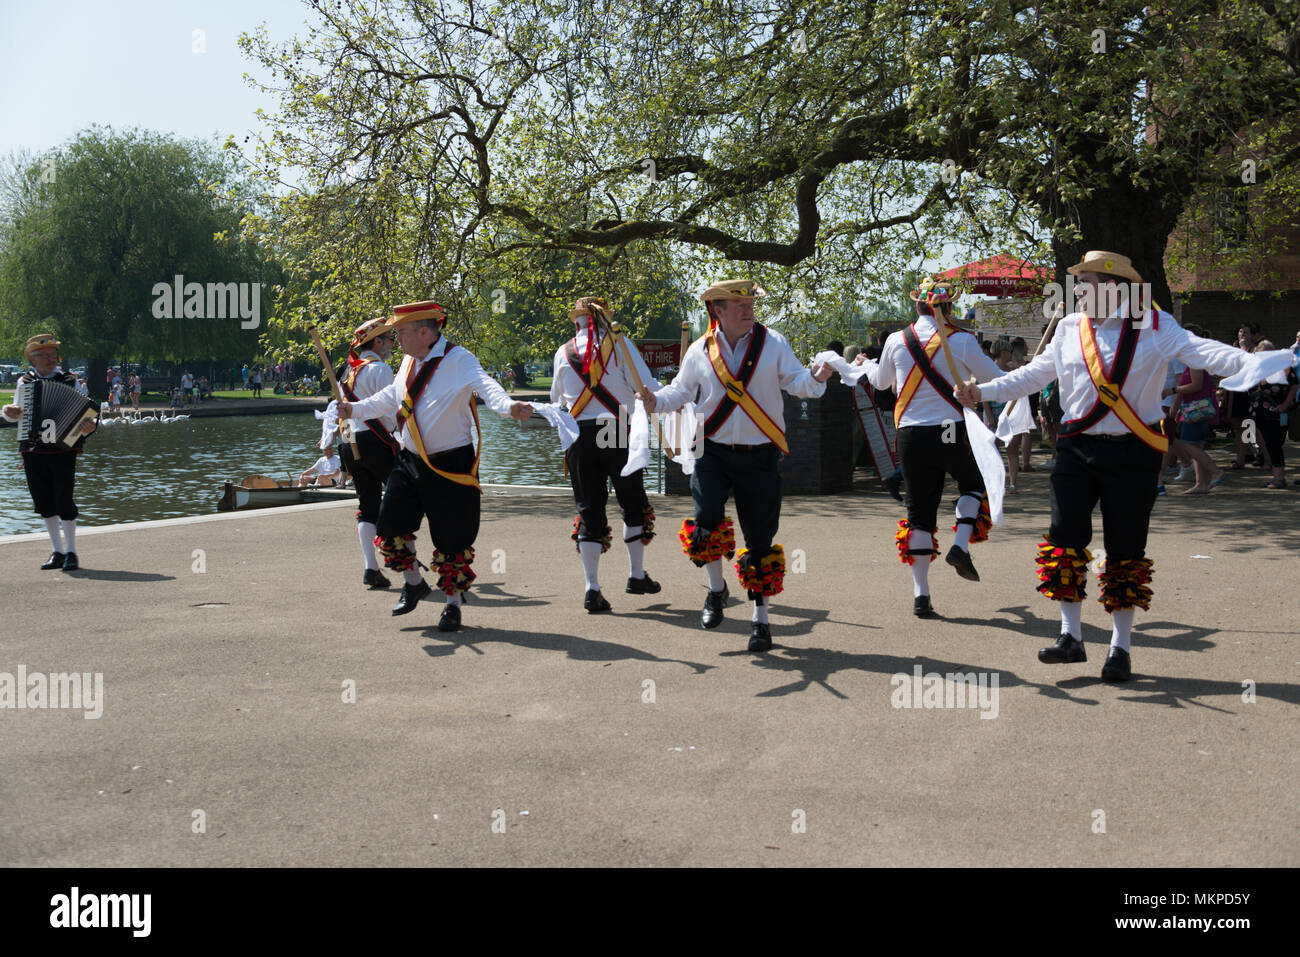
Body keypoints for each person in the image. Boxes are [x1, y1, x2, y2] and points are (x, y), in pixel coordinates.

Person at [955, 250, 1289, 682]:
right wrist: (982, 392)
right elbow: (1035, 375)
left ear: (1117, 287)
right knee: (1064, 539)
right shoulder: (1070, 328)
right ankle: (1070, 636)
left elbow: (1202, 352)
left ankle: (1120, 647)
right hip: (1075, 450)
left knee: (1124, 548)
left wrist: (1255, 363)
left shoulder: (1155, 327)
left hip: (1135, 451)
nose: (1078, 290)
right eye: (1078, 283)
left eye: (1087, 282)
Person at [645, 279, 834, 652]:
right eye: (740, 304)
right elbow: (680, 392)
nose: (748, 309)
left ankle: (760, 622)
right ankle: (716, 591)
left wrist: (816, 377)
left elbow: (798, 382)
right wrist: (655, 400)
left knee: (760, 541)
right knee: (706, 523)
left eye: (750, 303)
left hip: (761, 453)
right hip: (711, 451)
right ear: (718, 310)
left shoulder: (773, 343)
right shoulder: (700, 350)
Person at [337, 299, 534, 631]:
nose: (396, 340)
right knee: (390, 525)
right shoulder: (408, 362)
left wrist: (509, 407)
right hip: (409, 460)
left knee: (451, 539)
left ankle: (453, 606)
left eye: (400, 332)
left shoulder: (459, 359)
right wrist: (353, 410)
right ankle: (414, 583)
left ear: (424, 331)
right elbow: (390, 400)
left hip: (451, 462)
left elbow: (487, 387)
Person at [853, 277, 1005, 617]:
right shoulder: (962, 341)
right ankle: (960, 548)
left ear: (917, 306)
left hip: (910, 434)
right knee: (973, 483)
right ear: (948, 307)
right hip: (950, 429)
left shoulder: (896, 340)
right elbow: (996, 379)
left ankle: (921, 596)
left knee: (918, 512)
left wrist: (866, 365)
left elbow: (881, 383)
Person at [550, 296, 662, 612]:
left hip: (579, 435)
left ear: (577, 321)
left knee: (589, 509)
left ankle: (592, 588)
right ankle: (636, 575)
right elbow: (646, 386)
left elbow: (556, 398)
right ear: (603, 319)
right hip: (615, 427)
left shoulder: (563, 352)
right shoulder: (620, 345)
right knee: (632, 502)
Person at [1, 334, 97, 570]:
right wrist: (7, 412)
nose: (50, 359)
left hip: (63, 448)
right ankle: (57, 552)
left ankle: (72, 552)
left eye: (53, 356)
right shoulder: (24, 382)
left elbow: (85, 414)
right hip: (33, 447)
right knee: (44, 501)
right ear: (33, 360)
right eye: (44, 356)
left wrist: (90, 426)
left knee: (64, 499)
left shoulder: (69, 380)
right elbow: (14, 413)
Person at [338, 317, 400, 589]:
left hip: (349, 443)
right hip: (376, 441)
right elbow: (389, 412)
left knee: (368, 505)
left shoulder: (346, 373)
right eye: (390, 339)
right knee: (402, 496)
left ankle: (370, 568)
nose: (392, 345)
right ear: (377, 341)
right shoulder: (380, 369)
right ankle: (398, 555)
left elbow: (335, 413)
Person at [1250, 340, 1298, 489]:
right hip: (1259, 412)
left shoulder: (1283, 367)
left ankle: (1279, 478)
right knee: (1268, 443)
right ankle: (1277, 476)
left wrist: (1285, 404)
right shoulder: (1256, 367)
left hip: (1276, 412)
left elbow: (1295, 385)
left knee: (1274, 444)